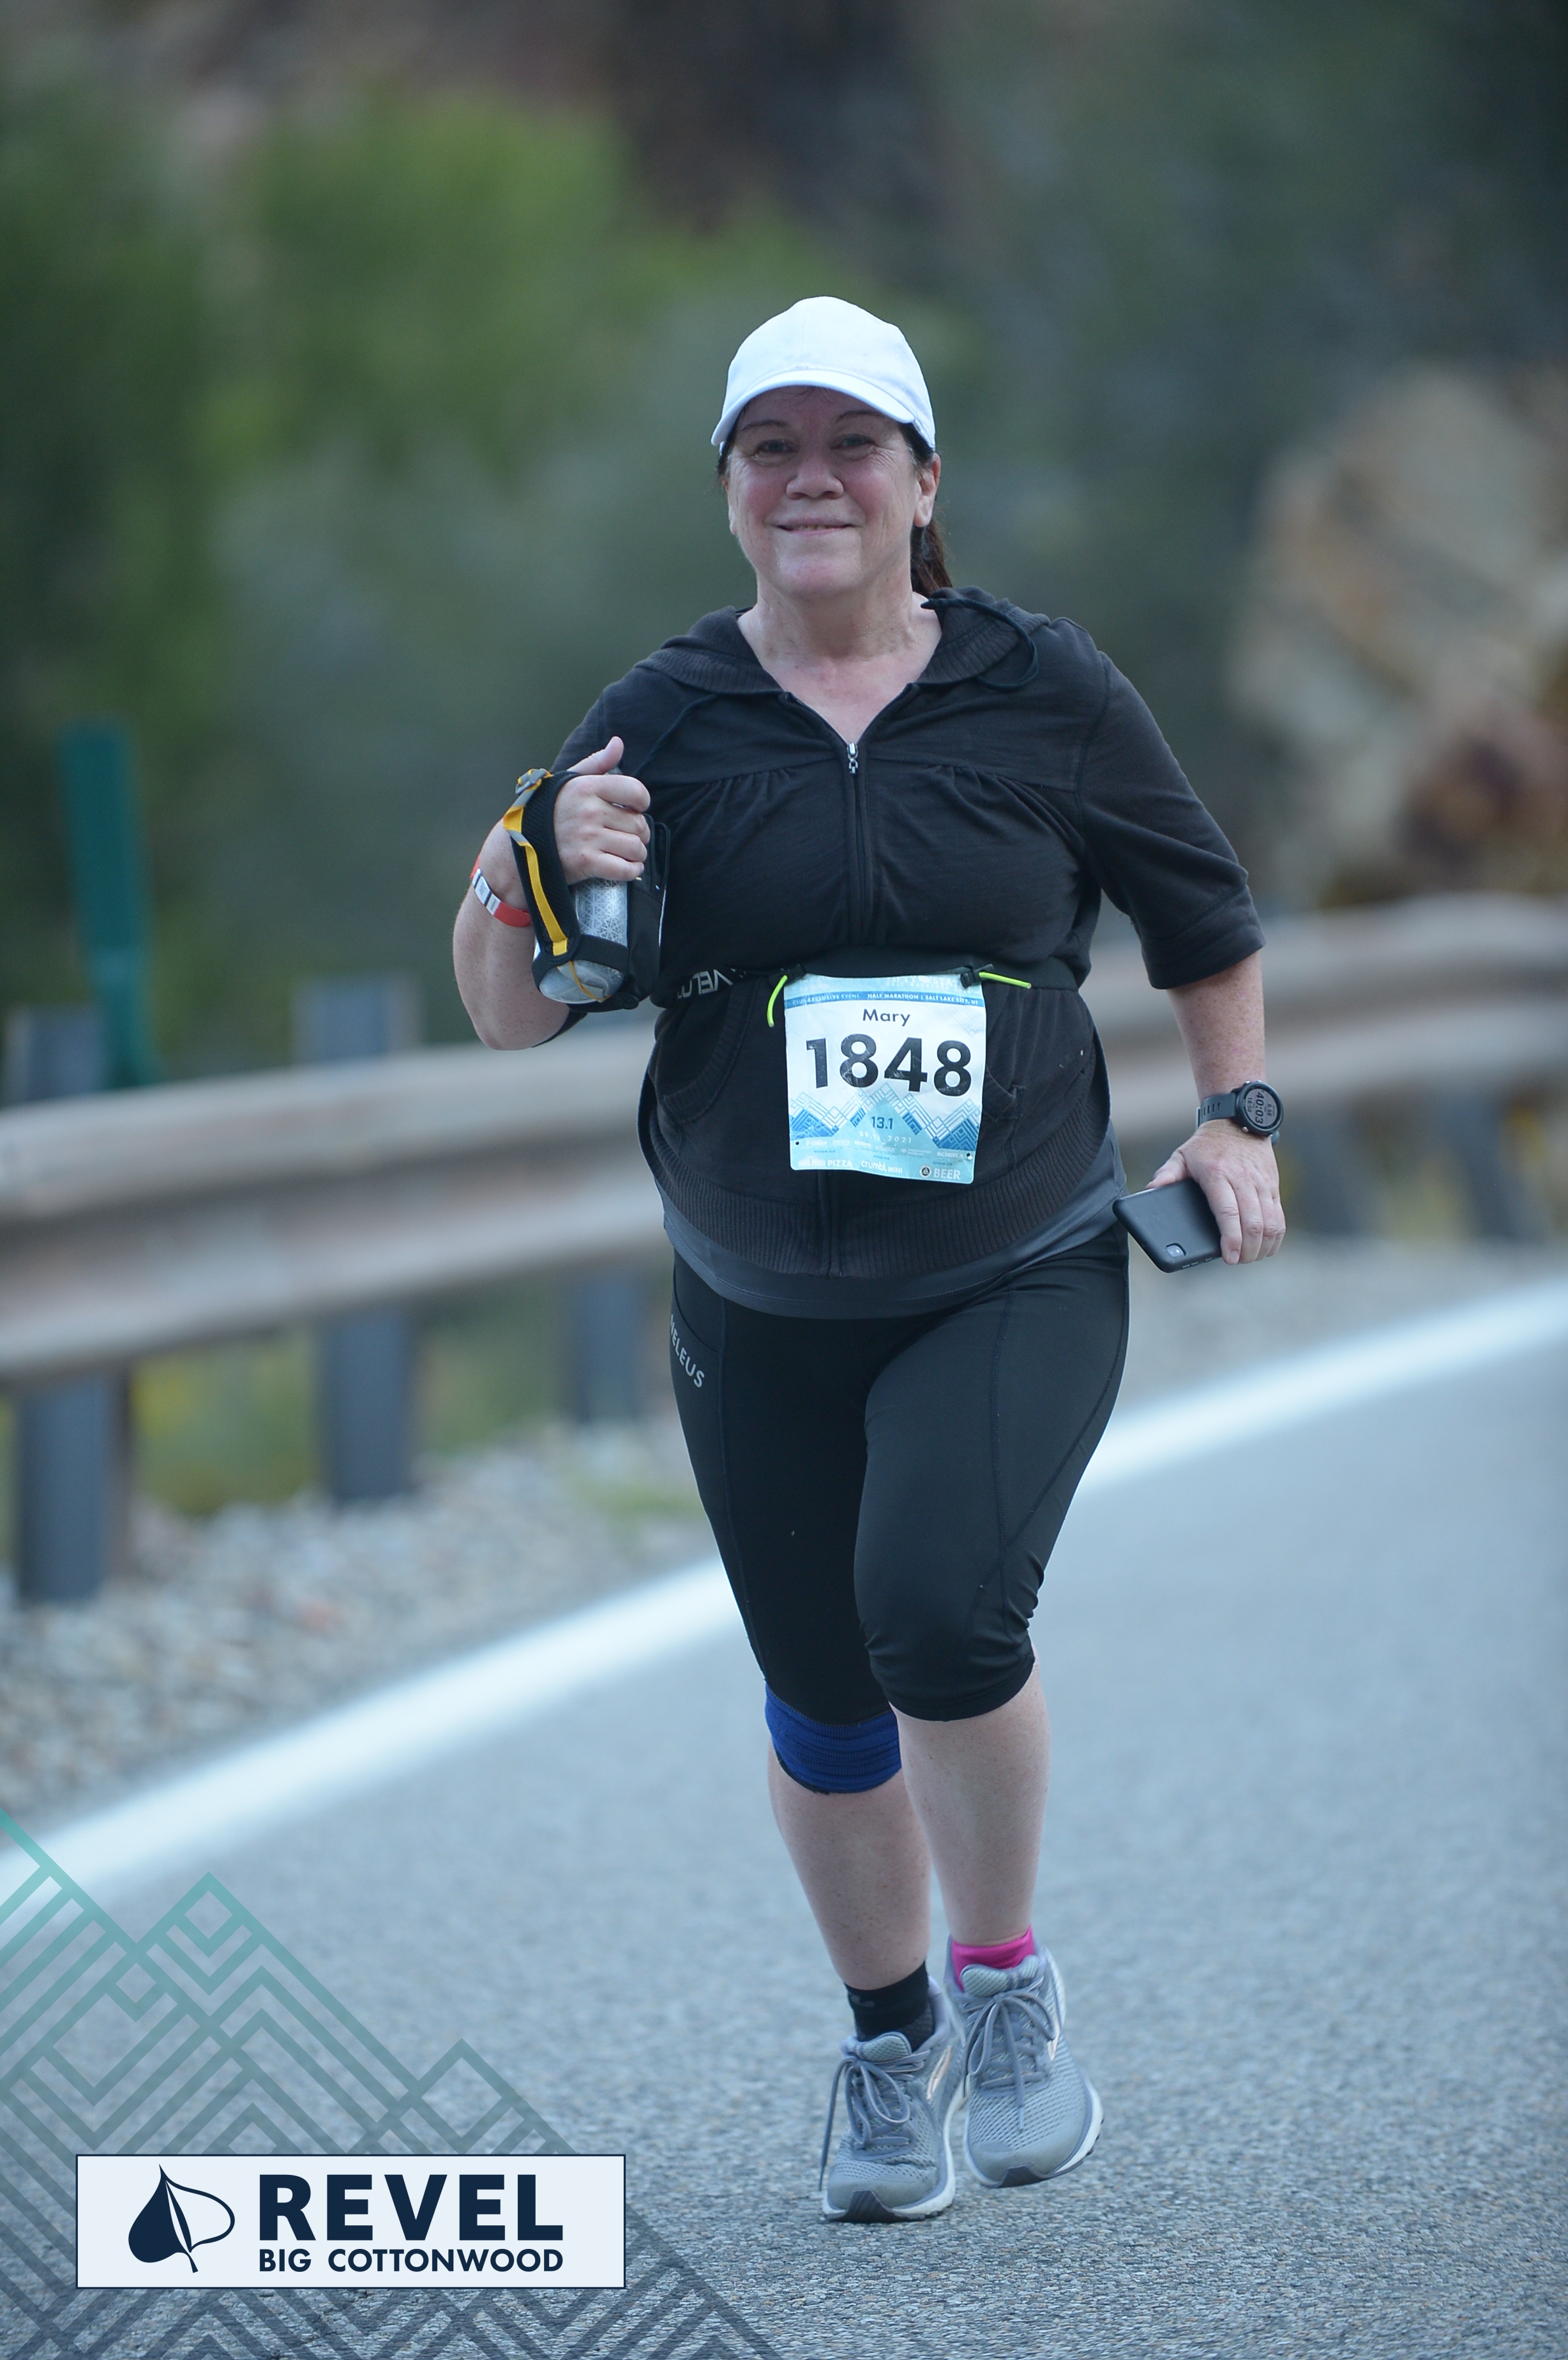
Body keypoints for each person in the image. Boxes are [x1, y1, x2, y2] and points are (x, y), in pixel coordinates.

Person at [455, 297, 1285, 2223]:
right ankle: (889, 2040)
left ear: (923, 484)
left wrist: (1237, 1116)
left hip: (1014, 1254)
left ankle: (1003, 1986)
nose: (811, 480)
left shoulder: (1043, 687)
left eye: (853, 446)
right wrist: (523, 848)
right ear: (730, 491)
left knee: (934, 1614)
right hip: (755, 1288)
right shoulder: (662, 715)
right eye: (773, 448)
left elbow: (1205, 923)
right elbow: (509, 1008)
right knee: (825, 1691)